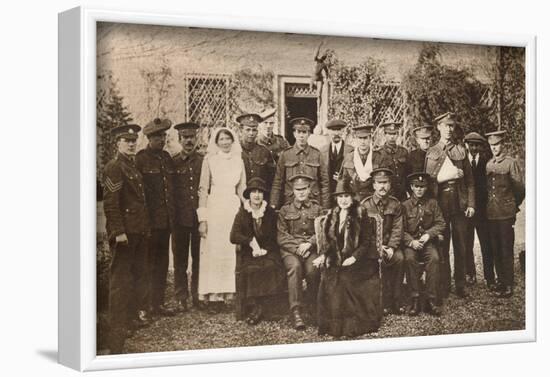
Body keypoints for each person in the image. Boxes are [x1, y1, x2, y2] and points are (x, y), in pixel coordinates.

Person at [103, 124, 151, 354]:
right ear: (118, 143)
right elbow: (111, 204)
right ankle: (117, 328)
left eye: (134, 140)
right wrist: (118, 231)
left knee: (134, 277)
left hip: (137, 231)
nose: (131, 144)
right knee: (120, 282)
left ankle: (128, 321)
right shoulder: (114, 168)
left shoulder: (131, 166)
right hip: (125, 234)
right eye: (126, 140)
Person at [314, 178, 383, 338]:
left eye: (346, 196)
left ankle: (350, 326)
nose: (343, 200)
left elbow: (366, 242)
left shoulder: (361, 212)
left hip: (362, 260)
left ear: (352, 197)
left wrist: (354, 257)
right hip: (339, 259)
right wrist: (323, 256)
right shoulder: (332, 215)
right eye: (340, 197)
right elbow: (329, 242)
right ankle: (332, 325)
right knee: (329, 278)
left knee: (344, 279)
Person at [425, 112, 475, 299]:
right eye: (445, 126)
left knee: (461, 245)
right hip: (440, 205)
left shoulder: (461, 150)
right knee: (441, 245)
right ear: (438, 127)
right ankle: (444, 284)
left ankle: (460, 284)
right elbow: (429, 183)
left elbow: (470, 181)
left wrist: (471, 203)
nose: (448, 129)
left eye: (451, 126)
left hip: (459, 204)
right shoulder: (432, 152)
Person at [197, 127, 247, 310]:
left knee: (230, 250)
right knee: (214, 251)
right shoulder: (210, 160)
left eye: (228, 138)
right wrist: (202, 218)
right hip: (215, 207)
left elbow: (242, 189)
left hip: (232, 208)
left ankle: (229, 294)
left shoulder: (238, 161)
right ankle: (214, 296)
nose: (225, 142)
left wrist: (247, 209)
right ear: (216, 142)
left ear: (233, 141)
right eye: (222, 139)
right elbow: (203, 189)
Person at [229, 177, 286, 325]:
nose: (257, 195)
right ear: (249, 195)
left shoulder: (270, 213)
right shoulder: (243, 212)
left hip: (269, 251)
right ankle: (259, 307)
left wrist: (265, 250)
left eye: (260, 192)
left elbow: (276, 235)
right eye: (253, 192)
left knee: (270, 266)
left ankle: (260, 309)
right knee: (252, 268)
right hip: (249, 252)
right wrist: (250, 242)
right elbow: (233, 236)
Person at [135, 118, 176, 317]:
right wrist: (145, 222)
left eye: (163, 135)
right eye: (157, 136)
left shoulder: (166, 158)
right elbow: (139, 194)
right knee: (148, 264)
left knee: (162, 263)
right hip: (150, 223)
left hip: (165, 222)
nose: (162, 139)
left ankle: (159, 303)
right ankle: (146, 305)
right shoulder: (141, 159)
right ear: (149, 138)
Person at [277, 174, 323, 330]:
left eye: (304, 189)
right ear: (293, 191)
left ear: (309, 189)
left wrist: (309, 244)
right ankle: (296, 311)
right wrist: (297, 247)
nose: (301, 192)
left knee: (313, 269)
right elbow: (282, 236)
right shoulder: (285, 210)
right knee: (295, 268)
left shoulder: (317, 209)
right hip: (291, 251)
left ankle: (313, 307)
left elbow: (323, 230)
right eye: (298, 189)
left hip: (311, 249)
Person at [485, 130, 525, 298]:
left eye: (497, 144)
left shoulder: (511, 163)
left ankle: (508, 284)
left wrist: (512, 206)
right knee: (495, 249)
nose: (495, 148)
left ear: (503, 145)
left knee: (506, 248)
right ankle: (501, 281)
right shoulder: (489, 164)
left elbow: (520, 189)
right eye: (492, 145)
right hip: (492, 213)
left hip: (506, 213)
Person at [361, 168, 405, 315]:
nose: (382, 187)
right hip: (372, 246)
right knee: (375, 262)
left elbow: (398, 228)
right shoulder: (365, 205)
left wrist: (391, 247)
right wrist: (378, 246)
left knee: (399, 259)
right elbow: (364, 232)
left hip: (390, 246)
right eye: (379, 183)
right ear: (373, 185)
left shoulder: (395, 204)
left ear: (390, 184)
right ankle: (382, 301)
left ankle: (397, 301)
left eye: (385, 183)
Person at [402, 173, 446, 316]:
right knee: (409, 259)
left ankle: (431, 300)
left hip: (427, 243)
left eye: (423, 187)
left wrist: (429, 234)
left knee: (434, 258)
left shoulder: (433, 203)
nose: (419, 190)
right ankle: (414, 299)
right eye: (417, 187)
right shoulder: (405, 205)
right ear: (412, 187)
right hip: (411, 244)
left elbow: (441, 223)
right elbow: (400, 229)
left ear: (426, 188)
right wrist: (411, 241)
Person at [172, 122, 204, 311]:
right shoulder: (173, 162)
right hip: (179, 220)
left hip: (198, 218)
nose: (189, 141)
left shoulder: (203, 161)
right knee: (180, 260)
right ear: (179, 140)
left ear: (196, 138)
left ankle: (197, 295)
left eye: (192, 137)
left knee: (199, 258)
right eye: (185, 138)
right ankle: (180, 296)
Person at [270, 117, 330, 209]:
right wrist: (273, 205)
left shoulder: (317, 154)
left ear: (309, 134)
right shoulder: (285, 155)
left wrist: (325, 206)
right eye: (298, 132)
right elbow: (278, 182)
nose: (301, 136)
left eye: (304, 132)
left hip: (313, 202)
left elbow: (324, 182)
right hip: (290, 203)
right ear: (294, 134)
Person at [464, 132, 494, 289]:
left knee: (486, 243)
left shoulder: (486, 162)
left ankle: (490, 277)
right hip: (468, 211)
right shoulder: (462, 162)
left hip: (483, 211)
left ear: (481, 147)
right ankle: (470, 274)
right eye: (471, 145)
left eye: (477, 145)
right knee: (467, 243)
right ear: (466, 145)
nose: (474, 148)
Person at [340, 124, 392, 202]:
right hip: (355, 199)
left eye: (365, 138)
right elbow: (343, 181)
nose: (362, 141)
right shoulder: (349, 157)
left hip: (374, 199)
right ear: (355, 139)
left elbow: (385, 181)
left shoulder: (379, 157)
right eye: (360, 138)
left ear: (370, 139)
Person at [237, 113, 276, 191]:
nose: (251, 133)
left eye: (254, 130)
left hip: (259, 196)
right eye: (248, 130)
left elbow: (272, 179)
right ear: (241, 130)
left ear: (257, 131)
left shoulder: (264, 152)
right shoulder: (235, 151)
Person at [320, 119, 354, 202]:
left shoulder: (351, 151)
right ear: (328, 132)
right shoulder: (322, 151)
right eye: (333, 130)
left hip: (345, 194)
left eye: (338, 130)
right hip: (328, 194)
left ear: (343, 131)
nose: (336, 133)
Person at [377, 121, 410, 201]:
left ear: (398, 135)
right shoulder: (379, 153)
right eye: (389, 134)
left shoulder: (403, 152)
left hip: (402, 195)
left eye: (394, 134)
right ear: (384, 134)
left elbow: (408, 173)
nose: (392, 137)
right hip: (386, 194)